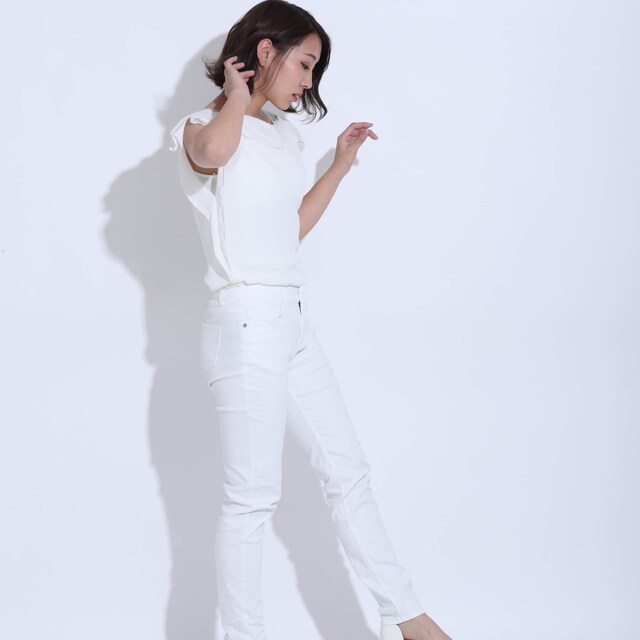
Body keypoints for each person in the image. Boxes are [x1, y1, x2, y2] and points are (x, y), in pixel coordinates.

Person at [169, 2, 453, 639]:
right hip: (245, 322)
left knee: (348, 473)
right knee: (252, 498)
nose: (308, 81)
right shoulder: (201, 125)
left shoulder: (278, 135)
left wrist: (339, 167)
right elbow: (212, 154)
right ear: (265, 51)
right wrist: (236, 95)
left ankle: (410, 619)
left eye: (314, 69)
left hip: (291, 321)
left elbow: (286, 231)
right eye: (304, 63)